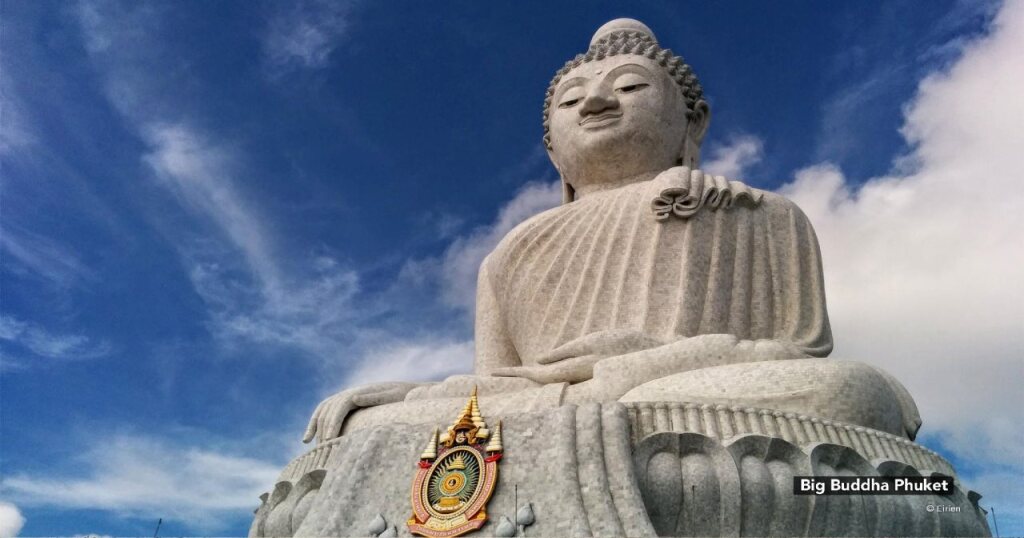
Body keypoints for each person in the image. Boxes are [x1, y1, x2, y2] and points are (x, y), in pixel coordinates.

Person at [303, 19, 920, 446]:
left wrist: (644, 363)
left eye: (629, 87)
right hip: (552, 407)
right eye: (572, 101)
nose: (597, 104)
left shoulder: (758, 213)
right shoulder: (509, 253)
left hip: (679, 392)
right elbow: (493, 390)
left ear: (693, 124)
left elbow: (797, 351)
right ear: (552, 150)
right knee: (360, 428)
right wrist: (421, 397)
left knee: (850, 393)